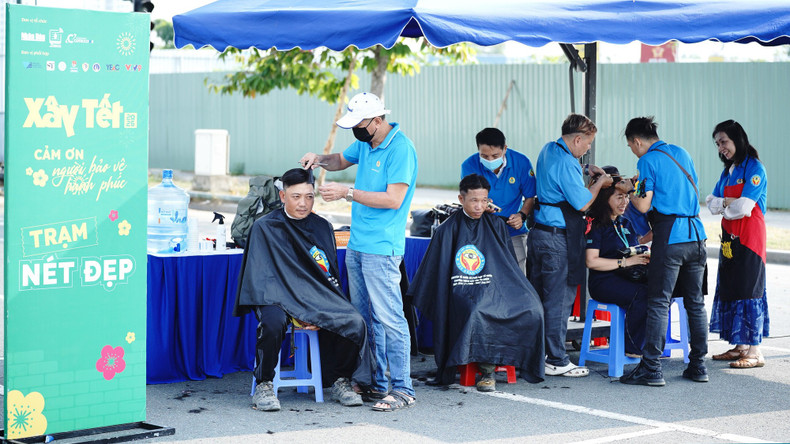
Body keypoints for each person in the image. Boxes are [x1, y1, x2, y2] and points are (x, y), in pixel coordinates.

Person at [300, 92, 418, 412]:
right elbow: (341, 160)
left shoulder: (401, 149)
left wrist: (347, 193)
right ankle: (375, 382)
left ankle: (403, 388)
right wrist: (320, 158)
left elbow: (394, 199)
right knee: (365, 319)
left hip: (382, 248)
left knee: (390, 318)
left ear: (378, 121)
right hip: (358, 245)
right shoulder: (367, 143)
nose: (356, 131)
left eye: (360, 125)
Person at [234, 168, 373, 412]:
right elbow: (262, 279)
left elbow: (329, 277)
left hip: (313, 295)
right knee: (274, 322)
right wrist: (297, 309)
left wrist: (317, 308)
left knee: (352, 319)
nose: (303, 203)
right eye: (296, 196)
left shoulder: (322, 227)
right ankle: (264, 382)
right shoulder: (265, 227)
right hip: (275, 297)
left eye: (309, 196)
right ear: (282, 197)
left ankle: (340, 379)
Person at [409, 174, 545, 391]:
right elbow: (437, 273)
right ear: (461, 199)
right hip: (462, 289)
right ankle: (487, 372)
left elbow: (507, 266)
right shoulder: (447, 230)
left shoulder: (497, 225)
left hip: (496, 286)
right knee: (478, 310)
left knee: (532, 306)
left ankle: (523, 362)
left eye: (485, 200)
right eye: (474, 200)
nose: (480, 206)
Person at [621, 116, 708, 386]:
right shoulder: (681, 152)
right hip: (696, 235)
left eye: (630, 146)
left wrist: (630, 189)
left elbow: (644, 205)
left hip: (670, 235)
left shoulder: (647, 160)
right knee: (695, 303)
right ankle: (698, 365)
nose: (633, 151)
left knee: (659, 301)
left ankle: (651, 368)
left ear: (637, 141)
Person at [528, 113, 612, 378]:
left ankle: (538, 353)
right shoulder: (566, 162)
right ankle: (556, 358)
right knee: (559, 301)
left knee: (540, 297)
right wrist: (601, 181)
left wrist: (587, 169)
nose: (588, 149)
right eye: (587, 144)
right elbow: (583, 203)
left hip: (540, 234)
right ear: (577, 139)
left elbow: (561, 175)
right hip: (557, 239)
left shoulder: (549, 149)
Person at [706, 120, 769, 368]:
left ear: (738, 140)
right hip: (728, 240)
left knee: (749, 291)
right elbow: (710, 202)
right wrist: (727, 203)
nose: (721, 147)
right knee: (731, 288)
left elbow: (745, 208)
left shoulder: (755, 169)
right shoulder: (728, 171)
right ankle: (740, 346)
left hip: (750, 241)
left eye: (724, 142)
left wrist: (725, 204)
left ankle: (754, 351)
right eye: (718, 143)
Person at [585, 166, 649, 357]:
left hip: (627, 277)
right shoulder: (596, 223)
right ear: (606, 199)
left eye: (626, 197)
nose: (625, 202)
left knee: (661, 290)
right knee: (642, 295)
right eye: (619, 197)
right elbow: (591, 261)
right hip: (604, 281)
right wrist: (625, 263)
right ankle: (632, 348)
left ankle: (649, 344)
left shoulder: (626, 222)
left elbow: (632, 250)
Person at [461, 128, 536, 274]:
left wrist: (522, 215)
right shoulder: (469, 166)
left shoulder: (521, 163)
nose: (489, 160)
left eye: (495, 155)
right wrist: (481, 206)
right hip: (481, 231)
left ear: (505, 148)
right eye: (484, 156)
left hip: (513, 231)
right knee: (484, 275)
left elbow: (530, 197)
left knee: (517, 274)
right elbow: (467, 200)